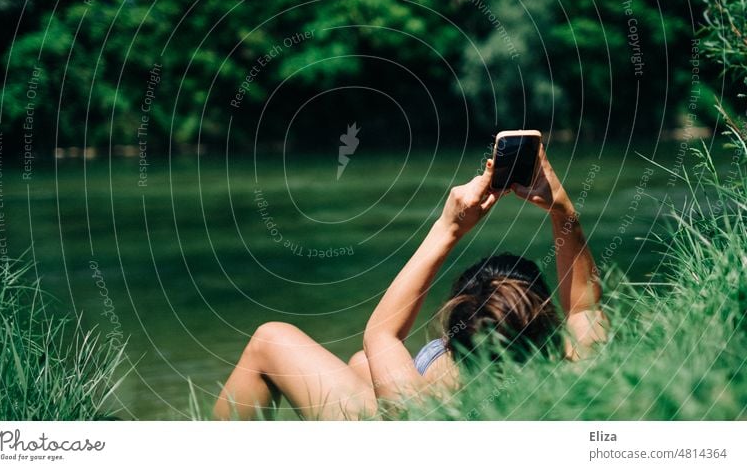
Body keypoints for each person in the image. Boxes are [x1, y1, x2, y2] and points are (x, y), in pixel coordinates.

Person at [213, 146, 607, 420]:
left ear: (456, 336)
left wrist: (448, 227)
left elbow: (382, 334)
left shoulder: (418, 410)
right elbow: (584, 307)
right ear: (547, 323)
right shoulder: (577, 369)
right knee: (362, 364)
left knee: (271, 337)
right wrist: (561, 206)